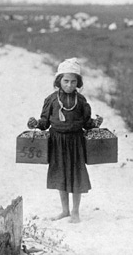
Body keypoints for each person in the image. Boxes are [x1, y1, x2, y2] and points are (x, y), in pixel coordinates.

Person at [27, 58, 103, 223]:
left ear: (78, 82)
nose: (69, 85)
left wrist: (95, 124)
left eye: (73, 81)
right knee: (61, 176)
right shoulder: (52, 100)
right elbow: (44, 123)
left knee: (76, 176)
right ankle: (65, 210)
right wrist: (35, 124)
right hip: (57, 142)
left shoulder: (81, 101)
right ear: (58, 81)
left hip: (75, 142)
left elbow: (86, 122)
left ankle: (75, 212)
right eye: (66, 81)